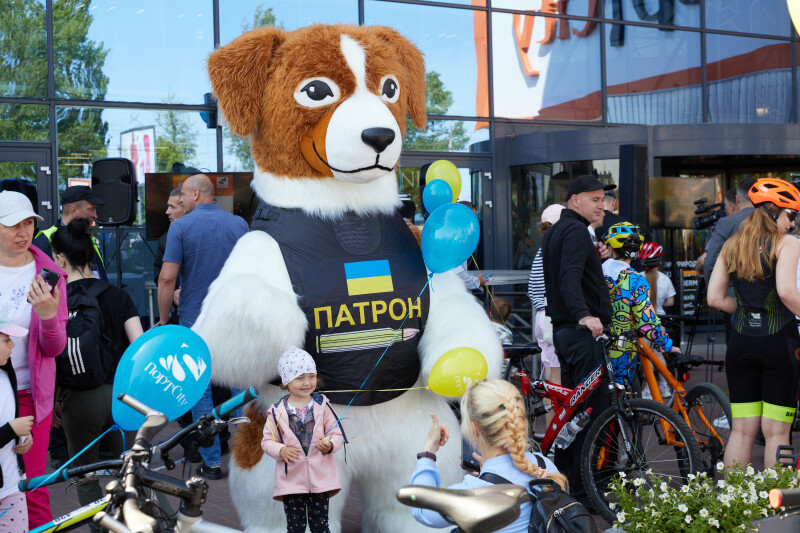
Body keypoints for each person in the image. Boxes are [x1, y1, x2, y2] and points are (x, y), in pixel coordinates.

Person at [50, 219, 142, 529]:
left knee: (85, 476)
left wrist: (53, 400)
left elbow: (51, 354)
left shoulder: (57, 302)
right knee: (133, 472)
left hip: (79, 399)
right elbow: (139, 347)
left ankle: (100, 527)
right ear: (92, 257)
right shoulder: (118, 295)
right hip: (122, 396)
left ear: (61, 260)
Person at [158, 174, 248, 479]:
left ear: (196, 194)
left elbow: (167, 278)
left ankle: (211, 463)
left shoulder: (180, 227)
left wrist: (163, 321)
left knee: (200, 392)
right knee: (240, 389)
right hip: (233, 318)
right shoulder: (239, 224)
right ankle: (247, 458)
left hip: (195, 321)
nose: (181, 200)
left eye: (183, 194)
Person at [707, 178, 800, 469]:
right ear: (774, 211)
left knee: (742, 431)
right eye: (791, 215)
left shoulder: (732, 244)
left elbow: (714, 298)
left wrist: (749, 308)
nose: (793, 223)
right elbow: (787, 292)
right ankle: (778, 496)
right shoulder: (787, 243)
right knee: (777, 432)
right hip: (779, 343)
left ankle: (735, 494)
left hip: (740, 343)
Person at [541, 175, 613, 507]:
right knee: (592, 412)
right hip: (580, 333)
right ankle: (586, 488)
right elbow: (568, 278)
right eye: (595, 199)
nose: (602, 206)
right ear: (575, 200)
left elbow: (570, 274)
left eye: (603, 199)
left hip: (565, 333)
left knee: (573, 412)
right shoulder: (574, 231)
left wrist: (593, 257)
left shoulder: (558, 231)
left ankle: (570, 481)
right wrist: (584, 315)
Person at [409, 379, 563, 532]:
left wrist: (428, 452)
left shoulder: (474, 491)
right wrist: (489, 475)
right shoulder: (544, 465)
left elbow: (421, 509)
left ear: (475, 428)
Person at [0, 191, 67, 528]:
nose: (23, 232)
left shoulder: (49, 273)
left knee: (33, 486)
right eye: (14, 224)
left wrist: (49, 316)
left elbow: (54, 348)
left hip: (28, 395)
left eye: (29, 223)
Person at [261, 347, 343, 533]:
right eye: (299, 378)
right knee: (295, 527)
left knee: (320, 527)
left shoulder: (323, 405)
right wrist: (280, 450)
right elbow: (267, 441)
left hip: (321, 480)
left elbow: (336, 433)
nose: (307, 383)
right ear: (286, 382)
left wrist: (330, 444)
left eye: (311, 376)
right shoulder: (276, 411)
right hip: (291, 482)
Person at [601, 223, 685, 394]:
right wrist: (667, 346)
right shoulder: (635, 279)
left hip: (594, 345)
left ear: (611, 249)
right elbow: (647, 323)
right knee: (618, 396)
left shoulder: (597, 272)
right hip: (622, 349)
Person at [527, 203, 563, 427]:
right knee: (557, 382)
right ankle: (556, 434)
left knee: (550, 379)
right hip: (554, 316)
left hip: (542, 316)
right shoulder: (556, 250)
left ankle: (551, 433)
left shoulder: (541, 250)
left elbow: (532, 289)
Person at [0, 312, 34, 533]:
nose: (12, 344)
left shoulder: (6, 373)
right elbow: (8, 426)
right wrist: (11, 430)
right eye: (6, 340)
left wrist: (23, 434)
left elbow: (8, 416)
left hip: (12, 487)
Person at [32, 186, 107, 281]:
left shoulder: (89, 240)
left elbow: (102, 280)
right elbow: (43, 286)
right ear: (74, 210)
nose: (95, 215)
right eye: (91, 209)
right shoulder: (43, 243)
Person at [154, 188, 185, 324]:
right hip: (180, 312)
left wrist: (163, 322)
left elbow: (165, 279)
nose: (167, 212)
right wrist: (173, 294)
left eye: (172, 207)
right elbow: (160, 278)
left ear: (186, 208)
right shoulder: (165, 240)